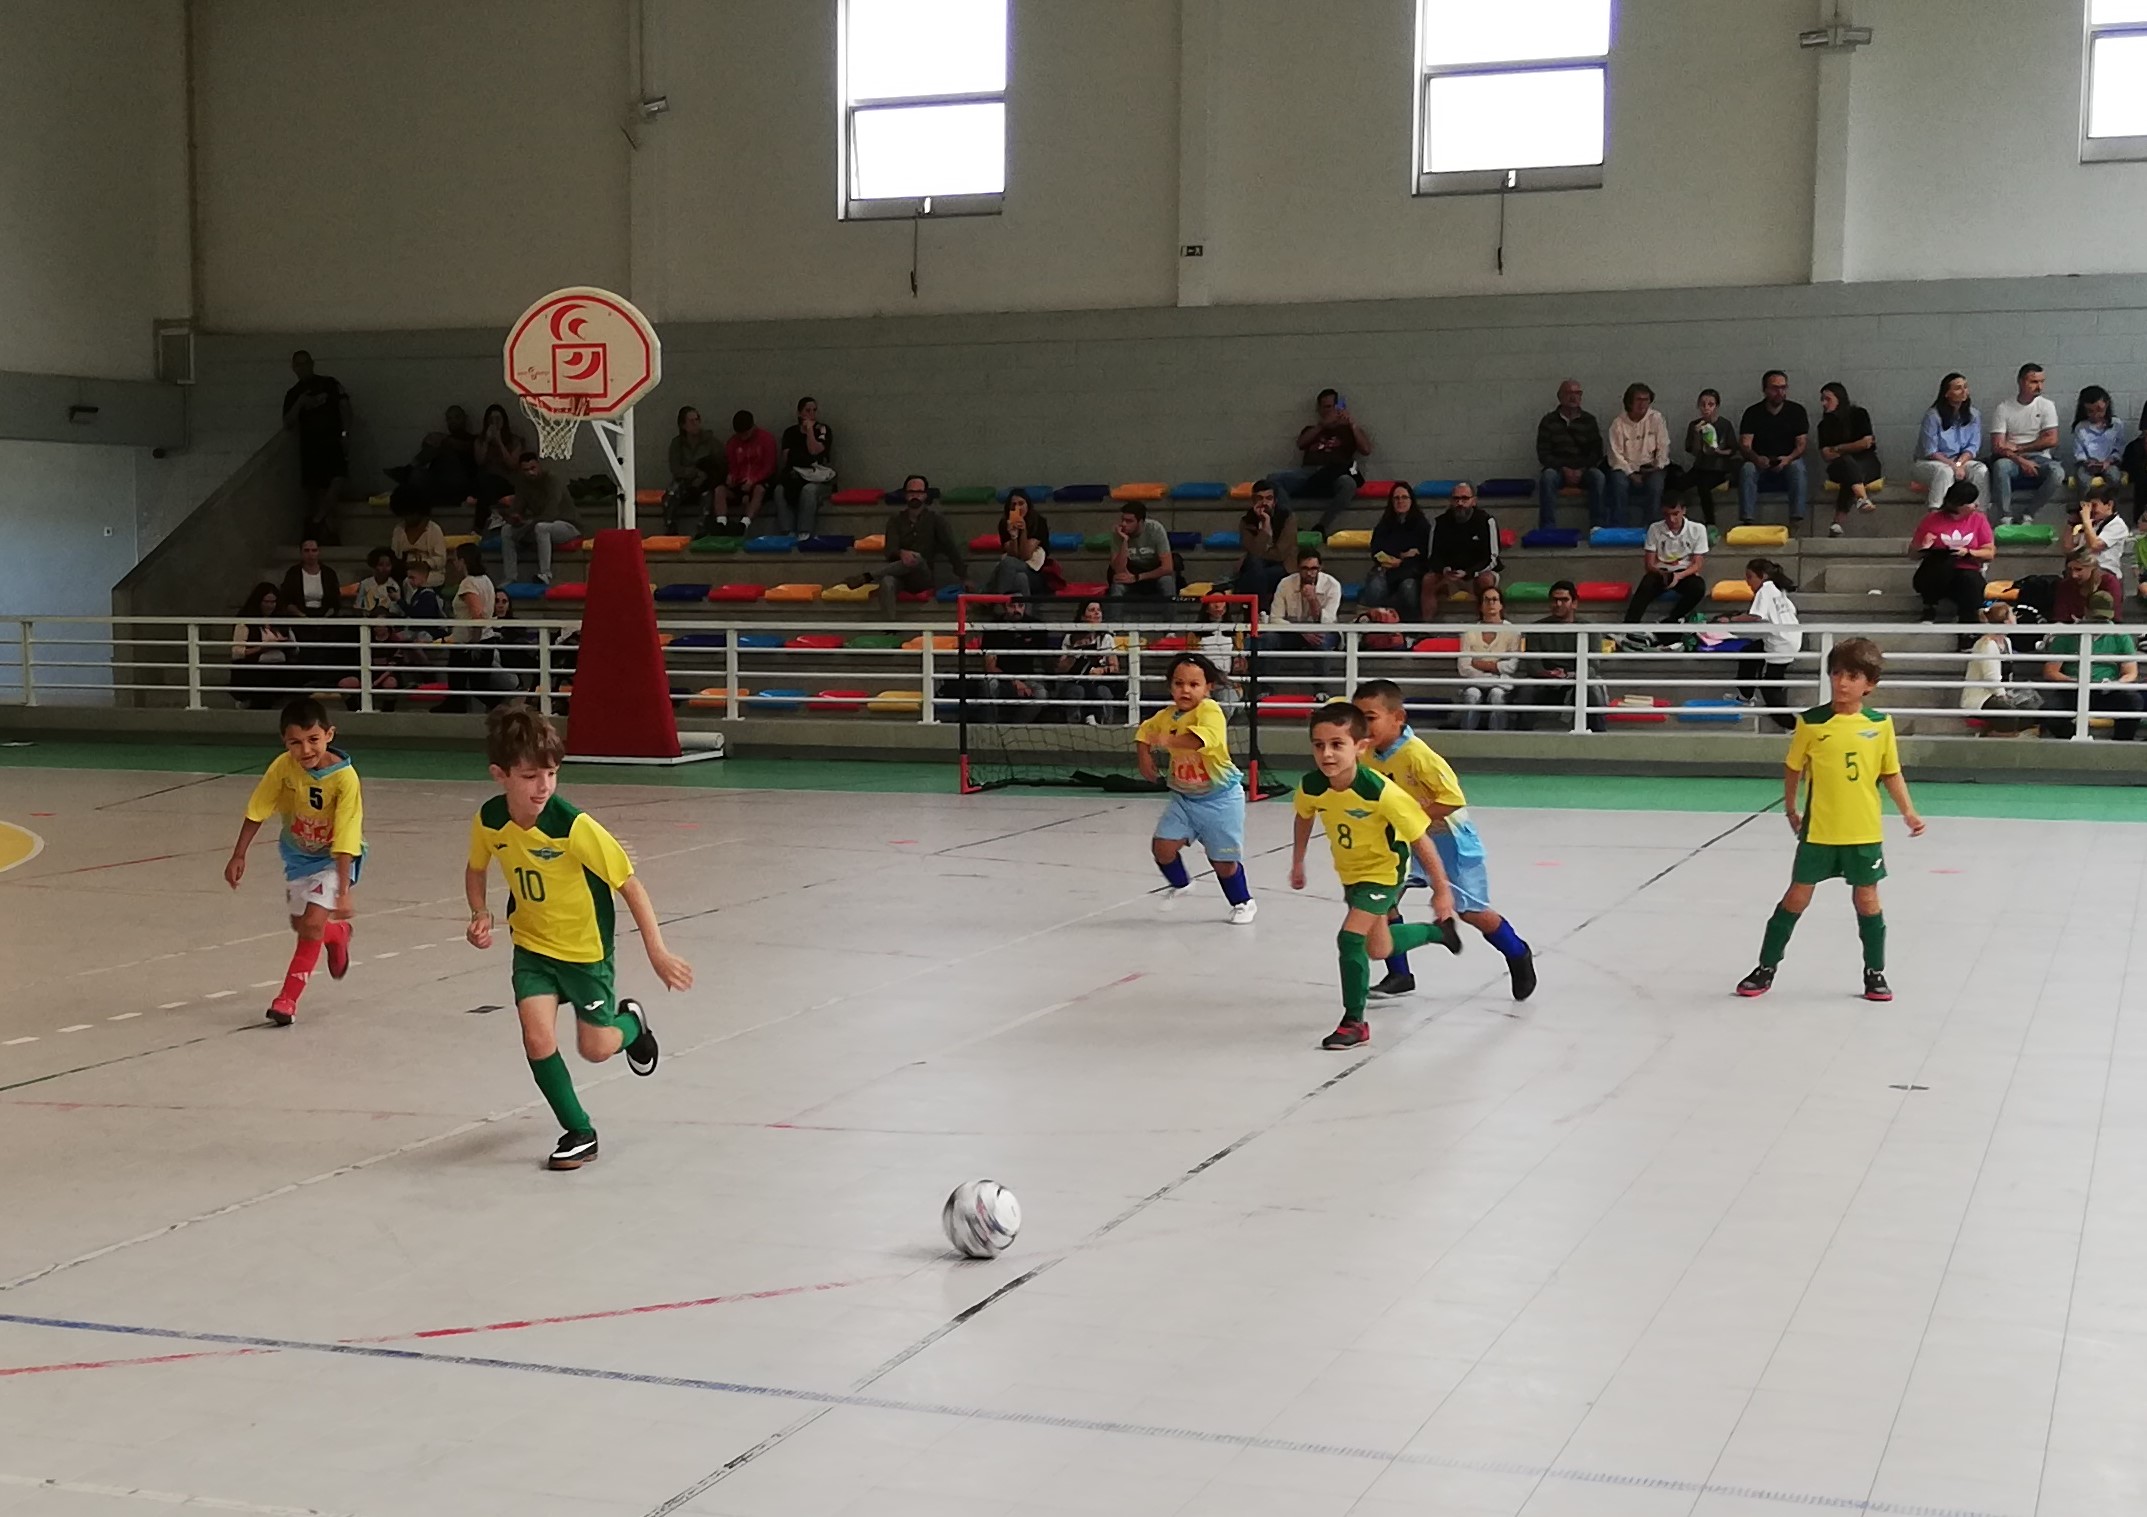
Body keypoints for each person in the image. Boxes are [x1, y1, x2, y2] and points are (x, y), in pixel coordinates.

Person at [465, 705, 691, 1171]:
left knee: (595, 1049)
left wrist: (657, 951)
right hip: (532, 947)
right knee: (536, 1037)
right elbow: (475, 867)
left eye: (550, 773)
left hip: (586, 954)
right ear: (500, 775)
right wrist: (480, 911)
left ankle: (631, 1025)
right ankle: (579, 1130)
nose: (544, 786)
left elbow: (629, 884)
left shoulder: (574, 826)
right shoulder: (489, 820)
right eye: (530, 775)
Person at [1735, 638, 1924, 1002]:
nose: (1842, 683)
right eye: (1837, 674)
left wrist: (1909, 812)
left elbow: (1890, 773)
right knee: (1796, 898)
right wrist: (1791, 809)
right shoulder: (1811, 722)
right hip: (1820, 831)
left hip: (1863, 831)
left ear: (1869, 684)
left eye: (1852, 676)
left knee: (1867, 900)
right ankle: (1766, 967)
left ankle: (1875, 972)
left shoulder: (1880, 724)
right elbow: (1794, 769)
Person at [1289, 702, 1460, 1050]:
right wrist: (1298, 860)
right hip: (1351, 875)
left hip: (1384, 875)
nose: (1327, 753)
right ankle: (1436, 932)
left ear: (1360, 747)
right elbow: (1304, 816)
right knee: (1379, 948)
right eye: (1319, 745)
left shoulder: (1382, 793)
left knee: (1350, 938)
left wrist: (1441, 890)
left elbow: (1421, 839)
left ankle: (1355, 1023)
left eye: (1337, 744)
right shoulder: (1312, 786)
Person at [1353, 681, 1536, 1002]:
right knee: (1382, 901)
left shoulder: (1419, 756)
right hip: (1403, 839)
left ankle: (1517, 952)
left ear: (1398, 717)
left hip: (1446, 839)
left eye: (1370, 717)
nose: (1363, 726)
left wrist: (1409, 815)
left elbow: (1452, 800)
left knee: (1470, 912)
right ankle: (1400, 973)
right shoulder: (1365, 754)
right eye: (1358, 718)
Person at [223, 696, 365, 1027]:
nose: (305, 750)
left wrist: (343, 889)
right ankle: (337, 934)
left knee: (311, 925)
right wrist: (239, 853)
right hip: (298, 855)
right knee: (304, 926)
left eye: (313, 739)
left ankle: (286, 1000)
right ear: (284, 742)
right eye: (295, 743)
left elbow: (346, 836)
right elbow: (258, 807)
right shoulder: (283, 767)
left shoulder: (345, 779)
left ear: (329, 734)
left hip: (333, 859)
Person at [1134, 653, 1256, 924]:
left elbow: (1196, 741)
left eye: (1193, 684)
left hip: (1220, 800)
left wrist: (1164, 740)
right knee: (1162, 848)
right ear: (1170, 687)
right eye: (1179, 684)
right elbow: (1144, 731)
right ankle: (1181, 883)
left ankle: (1243, 902)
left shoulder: (1209, 711)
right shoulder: (1166, 716)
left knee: (1223, 863)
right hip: (1184, 799)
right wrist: (1144, 755)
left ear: (1207, 687)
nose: (1185, 690)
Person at [1715, 558, 1802, 731]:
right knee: (1749, 652)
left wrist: (1730, 620)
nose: (1747, 581)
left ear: (1762, 576)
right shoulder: (1778, 590)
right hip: (1788, 637)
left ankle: (1793, 726)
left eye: (1750, 576)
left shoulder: (1765, 590)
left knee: (1770, 688)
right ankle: (1746, 696)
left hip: (1781, 645)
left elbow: (1756, 616)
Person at [2041, 590, 2140, 741]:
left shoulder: (2121, 636)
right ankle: (2074, 740)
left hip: (2107, 693)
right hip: (2073, 691)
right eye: (2096, 616)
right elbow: (2050, 671)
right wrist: (2075, 682)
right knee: (2049, 711)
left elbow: (2131, 672)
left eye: (2103, 617)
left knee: (2134, 702)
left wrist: (2115, 684)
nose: (2099, 621)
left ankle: (2120, 745)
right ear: (2086, 610)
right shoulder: (2067, 636)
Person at [1274, 388, 1371, 533]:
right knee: (1273, 480)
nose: (1330, 411)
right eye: (1326, 407)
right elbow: (1301, 444)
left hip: (1334, 475)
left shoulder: (1349, 431)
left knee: (1349, 483)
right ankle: (1290, 524)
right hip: (1309, 473)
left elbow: (1366, 450)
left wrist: (1352, 425)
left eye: (1333, 407)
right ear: (1319, 409)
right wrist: (1322, 426)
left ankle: (1322, 526)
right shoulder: (1312, 429)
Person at [283, 350, 350, 543]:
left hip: (332, 441)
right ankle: (327, 531)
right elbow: (287, 422)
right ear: (294, 368)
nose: (303, 368)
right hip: (311, 446)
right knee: (318, 491)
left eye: (306, 363)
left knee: (338, 479)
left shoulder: (329, 383)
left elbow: (345, 408)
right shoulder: (293, 393)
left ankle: (317, 520)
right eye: (299, 365)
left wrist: (345, 434)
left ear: (313, 363)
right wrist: (300, 403)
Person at [877, 475, 968, 612]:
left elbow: (950, 547)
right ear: (905, 495)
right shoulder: (895, 520)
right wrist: (901, 553)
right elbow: (890, 551)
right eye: (911, 492)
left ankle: (870, 575)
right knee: (886, 583)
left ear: (925, 495)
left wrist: (964, 577)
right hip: (900, 575)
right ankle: (890, 629)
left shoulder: (935, 519)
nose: (915, 496)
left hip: (923, 576)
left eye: (919, 492)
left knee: (917, 558)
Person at [1909, 480, 1994, 624]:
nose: (1976, 505)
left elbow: (1989, 553)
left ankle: (1968, 625)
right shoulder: (1932, 520)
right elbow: (1912, 554)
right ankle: (1930, 606)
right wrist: (1923, 547)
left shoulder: (1979, 520)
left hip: (1965, 570)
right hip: (1936, 572)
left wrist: (1968, 552)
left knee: (1971, 582)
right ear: (1959, 504)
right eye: (1971, 502)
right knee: (1943, 563)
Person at [1526, 580, 1606, 733]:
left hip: (1577, 679)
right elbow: (1532, 665)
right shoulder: (1536, 628)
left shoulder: (1591, 629)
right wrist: (1549, 674)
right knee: (1526, 690)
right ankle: (1520, 737)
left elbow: (1594, 666)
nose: (1558, 604)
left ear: (1575, 603)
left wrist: (1571, 675)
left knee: (1593, 687)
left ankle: (1599, 737)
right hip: (1547, 681)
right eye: (1555, 600)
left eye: (1564, 600)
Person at [1620, 496, 1709, 634]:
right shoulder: (1655, 528)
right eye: (1667, 515)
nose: (1671, 520)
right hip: (1661, 572)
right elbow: (1649, 564)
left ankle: (1672, 619)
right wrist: (1665, 575)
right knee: (1646, 583)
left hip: (1684, 573)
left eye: (1675, 514)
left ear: (1684, 511)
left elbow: (1697, 564)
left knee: (1698, 587)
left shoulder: (1698, 529)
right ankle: (1628, 627)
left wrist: (1678, 576)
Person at [1990, 362, 2062, 524]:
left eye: (2042, 382)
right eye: (2034, 382)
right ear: (2021, 382)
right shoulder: (2004, 408)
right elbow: (1997, 445)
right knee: (2001, 466)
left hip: (2039, 458)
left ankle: (2029, 514)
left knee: (2057, 473)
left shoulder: (2047, 406)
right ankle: (2005, 516)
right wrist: (2020, 459)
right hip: (2012, 460)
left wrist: (2020, 448)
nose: (2039, 386)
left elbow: (2052, 439)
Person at [1265, 547, 1342, 694]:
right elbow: (1275, 619)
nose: (1309, 573)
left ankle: (1321, 690)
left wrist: (1313, 599)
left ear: (1321, 568)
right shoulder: (1285, 584)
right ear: (1298, 568)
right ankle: (1265, 688)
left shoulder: (1332, 585)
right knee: (1269, 638)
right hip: (1293, 631)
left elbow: (1328, 621)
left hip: (1323, 631)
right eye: (1305, 568)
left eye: (1314, 568)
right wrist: (1301, 630)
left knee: (1322, 641)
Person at [1737, 370, 1811, 524]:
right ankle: (1747, 520)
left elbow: (1802, 444)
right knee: (1747, 469)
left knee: (1798, 467)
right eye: (1775, 388)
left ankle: (1796, 519)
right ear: (1765, 390)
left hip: (1787, 462)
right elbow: (1745, 444)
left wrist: (1788, 459)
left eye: (1783, 388)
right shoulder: (1752, 413)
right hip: (1760, 462)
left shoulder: (1796, 411)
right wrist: (1757, 459)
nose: (1780, 392)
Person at [1534, 379, 1605, 530]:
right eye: (1569, 393)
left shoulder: (1589, 420)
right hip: (1558, 470)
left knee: (1598, 477)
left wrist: (1582, 469)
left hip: (1584, 470)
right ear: (1560, 396)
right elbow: (1543, 454)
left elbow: (1596, 452)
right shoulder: (1548, 421)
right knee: (1547, 477)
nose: (1574, 397)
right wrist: (1564, 469)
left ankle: (1597, 527)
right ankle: (1547, 527)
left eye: (1577, 393)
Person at [500, 452, 581, 585]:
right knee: (506, 530)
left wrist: (527, 526)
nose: (530, 473)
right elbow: (517, 508)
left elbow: (550, 514)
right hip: (540, 523)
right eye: (526, 470)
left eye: (533, 468)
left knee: (541, 527)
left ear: (539, 465)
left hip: (567, 525)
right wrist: (513, 517)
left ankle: (545, 573)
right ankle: (510, 577)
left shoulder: (552, 480)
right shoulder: (522, 483)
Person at [1913, 372, 1990, 511]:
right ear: (1946, 393)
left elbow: (1973, 447)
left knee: (1980, 469)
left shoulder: (1974, 415)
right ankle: (1936, 511)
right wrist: (1954, 466)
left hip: (1960, 461)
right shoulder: (1933, 416)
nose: (1963, 391)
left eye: (1965, 387)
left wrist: (1959, 464)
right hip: (1931, 463)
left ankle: (1980, 513)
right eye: (1958, 388)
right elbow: (1931, 451)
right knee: (1945, 471)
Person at [1425, 482, 1499, 620]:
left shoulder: (1486, 521)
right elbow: (1432, 556)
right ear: (1450, 501)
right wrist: (1444, 570)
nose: (1460, 503)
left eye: (1465, 499)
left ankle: (1487, 624)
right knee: (1428, 580)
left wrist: (1469, 572)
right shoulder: (1439, 522)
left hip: (1477, 573)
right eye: (1456, 499)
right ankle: (1426, 629)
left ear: (1474, 501)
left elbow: (1492, 558)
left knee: (1486, 579)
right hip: (1448, 575)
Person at [1816, 380, 1882, 536]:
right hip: (1839, 466)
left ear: (1839, 398)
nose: (1824, 403)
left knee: (1850, 477)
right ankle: (1862, 498)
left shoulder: (1858, 414)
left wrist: (1839, 448)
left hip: (1866, 462)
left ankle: (1837, 523)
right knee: (1846, 464)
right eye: (1822, 399)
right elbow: (1826, 454)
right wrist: (1852, 447)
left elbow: (1866, 443)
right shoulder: (1824, 425)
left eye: (1828, 399)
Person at [440, 542, 498, 713]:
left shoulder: (468, 583)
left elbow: (477, 614)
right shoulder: (486, 580)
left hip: (469, 643)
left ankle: (506, 707)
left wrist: (474, 643)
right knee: (471, 683)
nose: (454, 563)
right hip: (483, 638)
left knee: (472, 685)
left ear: (463, 561)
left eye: (456, 559)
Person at [1360, 481, 1431, 619]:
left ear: (1411, 500)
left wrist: (1400, 561)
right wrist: (1402, 555)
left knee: (1408, 588)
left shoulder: (1422, 525)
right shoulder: (1384, 524)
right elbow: (1376, 550)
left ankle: (1411, 628)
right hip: (1387, 569)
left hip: (1411, 573)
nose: (1400, 501)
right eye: (1396, 498)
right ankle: (1375, 627)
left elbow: (1422, 555)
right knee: (1375, 584)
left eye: (1404, 497)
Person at [1456, 585, 1523, 730]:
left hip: (1502, 684)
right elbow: (1464, 667)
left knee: (1497, 694)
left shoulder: (1513, 632)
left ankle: (1497, 739)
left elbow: (1512, 666)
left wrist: (1479, 664)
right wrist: (1496, 668)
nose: (1491, 603)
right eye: (1486, 600)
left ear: (1501, 605)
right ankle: (1466, 737)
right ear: (1480, 606)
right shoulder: (1469, 632)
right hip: (1475, 682)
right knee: (1472, 694)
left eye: (1495, 599)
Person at [1605, 382, 1670, 528]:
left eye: (1646, 400)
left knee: (1656, 485)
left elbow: (1663, 447)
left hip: (1651, 468)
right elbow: (1616, 455)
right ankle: (1619, 526)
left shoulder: (1656, 419)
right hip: (1625, 469)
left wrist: (1656, 467)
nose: (1643, 404)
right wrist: (1631, 474)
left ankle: (1652, 528)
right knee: (1618, 483)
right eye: (1639, 400)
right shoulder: (1618, 424)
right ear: (1629, 402)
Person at [1670, 389, 1739, 526]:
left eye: (1710, 404)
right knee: (1677, 484)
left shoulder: (1724, 425)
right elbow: (1694, 451)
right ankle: (1677, 517)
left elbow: (1732, 450)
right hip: (1701, 466)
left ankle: (1710, 523)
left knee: (1703, 486)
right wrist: (1697, 435)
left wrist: (1719, 452)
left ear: (1716, 406)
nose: (1706, 408)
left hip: (1719, 468)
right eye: (1703, 404)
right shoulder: (1694, 425)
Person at [979, 596, 1048, 723]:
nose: (1017, 610)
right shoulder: (993, 627)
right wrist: (1014, 680)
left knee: (1041, 693)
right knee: (990, 685)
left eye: (1020, 605)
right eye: (1012, 606)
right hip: (1001, 678)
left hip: (1027, 678)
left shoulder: (1035, 626)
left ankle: (1017, 727)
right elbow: (989, 667)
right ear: (1004, 607)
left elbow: (1047, 659)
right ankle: (990, 727)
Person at [1232, 478, 1298, 608]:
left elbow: (1280, 554)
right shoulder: (1246, 521)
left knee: (1251, 577)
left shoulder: (1287, 518)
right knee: (1255, 566)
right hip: (1257, 566)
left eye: (1269, 498)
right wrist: (1265, 528)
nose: (1264, 502)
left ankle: (1256, 612)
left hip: (1283, 567)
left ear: (1275, 502)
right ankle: (1262, 613)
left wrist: (1261, 553)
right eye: (1260, 498)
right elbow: (1253, 552)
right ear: (1253, 501)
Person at [230, 582, 295, 709]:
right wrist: (261, 648)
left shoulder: (282, 621)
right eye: (266, 602)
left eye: (273, 602)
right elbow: (237, 652)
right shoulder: (245, 622)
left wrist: (285, 643)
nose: (270, 606)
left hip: (280, 666)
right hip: (257, 668)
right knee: (263, 685)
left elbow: (294, 646)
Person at [1056, 600, 1123, 724]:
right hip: (1075, 681)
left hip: (1098, 681)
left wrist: (1101, 670)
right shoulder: (1070, 638)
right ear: (1082, 616)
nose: (1097, 613)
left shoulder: (1106, 638)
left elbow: (1115, 667)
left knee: (1103, 691)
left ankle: (1102, 722)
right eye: (1092, 610)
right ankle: (1079, 721)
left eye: (1099, 610)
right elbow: (1060, 669)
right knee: (1077, 690)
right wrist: (1075, 652)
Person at [776, 396, 835, 537]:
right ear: (799, 413)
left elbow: (814, 450)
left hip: (818, 478)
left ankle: (804, 531)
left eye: (814, 410)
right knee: (779, 490)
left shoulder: (823, 430)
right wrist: (804, 458)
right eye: (807, 410)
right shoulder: (790, 433)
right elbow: (787, 458)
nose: (811, 414)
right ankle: (787, 531)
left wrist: (809, 432)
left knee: (808, 491)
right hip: (797, 475)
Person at [985, 489, 1059, 600]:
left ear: (1028, 505)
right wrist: (1013, 536)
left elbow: (1025, 555)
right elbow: (1014, 555)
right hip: (1015, 571)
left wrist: (1023, 531)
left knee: (1007, 563)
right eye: (1013, 504)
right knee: (1020, 578)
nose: (1017, 508)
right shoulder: (1004, 524)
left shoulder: (1039, 522)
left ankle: (995, 600)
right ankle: (1024, 613)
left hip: (1036, 574)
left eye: (1021, 503)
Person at [1107, 501, 1176, 609]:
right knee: (1118, 586)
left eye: (1129, 521)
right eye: (1123, 520)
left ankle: (1171, 624)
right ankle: (1113, 624)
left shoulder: (1156, 529)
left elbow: (1167, 568)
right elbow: (1119, 569)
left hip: (1153, 573)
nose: (1124, 524)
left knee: (1167, 582)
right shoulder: (1118, 533)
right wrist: (1124, 541)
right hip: (1131, 571)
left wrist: (1137, 577)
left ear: (1141, 522)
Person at [666, 406, 722, 536]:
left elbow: (720, 464)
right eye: (691, 421)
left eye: (697, 420)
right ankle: (670, 528)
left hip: (705, 482)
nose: (695, 424)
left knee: (708, 494)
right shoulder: (677, 443)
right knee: (671, 493)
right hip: (685, 482)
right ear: (683, 425)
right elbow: (675, 468)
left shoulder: (711, 442)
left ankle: (702, 530)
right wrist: (695, 473)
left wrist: (705, 476)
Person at [721, 410, 779, 535]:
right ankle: (721, 523)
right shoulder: (733, 443)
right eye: (739, 434)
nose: (742, 437)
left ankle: (743, 524)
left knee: (759, 490)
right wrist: (732, 477)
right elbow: (732, 465)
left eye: (745, 433)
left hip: (762, 480)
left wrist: (753, 480)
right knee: (719, 490)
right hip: (740, 482)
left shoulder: (766, 439)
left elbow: (769, 466)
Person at [2065, 481, 2132, 585]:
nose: (2091, 510)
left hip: (2104, 574)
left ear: (2109, 505)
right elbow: (2068, 548)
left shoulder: (2117, 525)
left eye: (2094, 505)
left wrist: (2086, 521)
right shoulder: (2091, 525)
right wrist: (2071, 523)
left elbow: (2095, 545)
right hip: (2082, 572)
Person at [2071, 385, 2125, 500]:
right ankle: (2084, 506)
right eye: (2090, 411)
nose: (2096, 415)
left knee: (2114, 477)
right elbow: (2078, 451)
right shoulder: (2081, 427)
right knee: (2082, 479)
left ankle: (2109, 505)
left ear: (2107, 404)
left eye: (2100, 410)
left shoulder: (2116, 424)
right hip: (2087, 464)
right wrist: (2087, 461)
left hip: (2109, 463)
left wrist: (2109, 461)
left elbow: (2119, 447)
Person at [473, 403, 526, 506]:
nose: (494, 423)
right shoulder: (480, 441)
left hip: (506, 483)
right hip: (485, 482)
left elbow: (512, 465)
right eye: (491, 420)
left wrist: (499, 442)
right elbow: (479, 461)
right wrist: (487, 442)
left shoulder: (515, 441)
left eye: (498, 419)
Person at [2054, 545, 2123, 623]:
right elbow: (2061, 618)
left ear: (2092, 567)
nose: (2074, 575)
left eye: (2078, 569)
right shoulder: (2066, 586)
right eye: (2070, 570)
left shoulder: (2109, 582)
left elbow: (2114, 617)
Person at [390, 490, 447, 581]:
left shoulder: (433, 529)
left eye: (411, 514)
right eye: (404, 514)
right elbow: (394, 555)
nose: (407, 518)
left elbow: (441, 559)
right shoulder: (399, 530)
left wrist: (425, 564)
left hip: (430, 575)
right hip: (404, 575)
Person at [280, 538, 342, 619]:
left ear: (319, 552)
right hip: (299, 617)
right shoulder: (293, 573)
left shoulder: (329, 573)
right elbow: (286, 600)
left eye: (314, 550)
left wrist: (324, 618)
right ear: (301, 552)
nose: (310, 554)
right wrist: (303, 616)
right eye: (306, 550)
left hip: (325, 617)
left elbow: (335, 601)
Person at [352, 548, 405, 620]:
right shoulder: (365, 583)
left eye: (388, 565)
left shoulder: (394, 585)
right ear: (374, 566)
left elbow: (396, 610)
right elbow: (358, 605)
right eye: (380, 565)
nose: (384, 568)